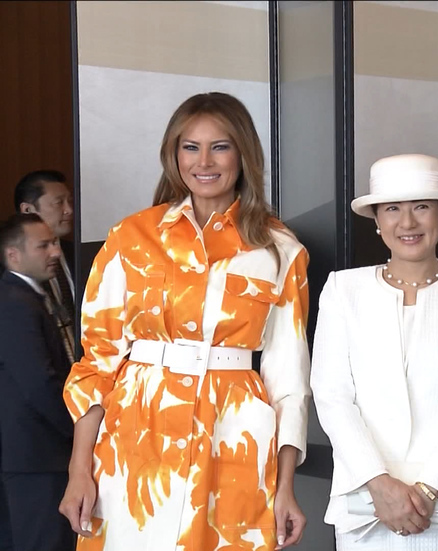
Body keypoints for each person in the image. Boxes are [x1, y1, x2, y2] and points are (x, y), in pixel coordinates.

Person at [57, 92, 311, 550]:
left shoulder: (280, 250)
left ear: (243, 154)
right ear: (173, 156)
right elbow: (97, 363)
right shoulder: (130, 237)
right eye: (190, 147)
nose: (204, 161)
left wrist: (286, 487)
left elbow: (289, 380)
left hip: (231, 438)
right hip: (135, 440)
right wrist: (79, 471)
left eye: (220, 147)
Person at [311, 154, 438, 550]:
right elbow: (332, 396)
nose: (408, 222)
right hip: (365, 508)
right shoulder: (343, 290)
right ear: (377, 220)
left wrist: (428, 491)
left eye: (422, 207)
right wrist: (380, 485)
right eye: (393, 209)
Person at [0, 213, 76, 551]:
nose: (55, 252)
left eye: (54, 243)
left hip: (37, 454)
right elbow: (39, 384)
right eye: (43, 246)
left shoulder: (28, 297)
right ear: (13, 255)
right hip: (36, 455)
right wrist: (79, 430)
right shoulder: (15, 303)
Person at [15, 169, 76, 358]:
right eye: (59, 203)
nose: (69, 210)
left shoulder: (78, 253)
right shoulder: (10, 264)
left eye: (70, 201)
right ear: (28, 210)